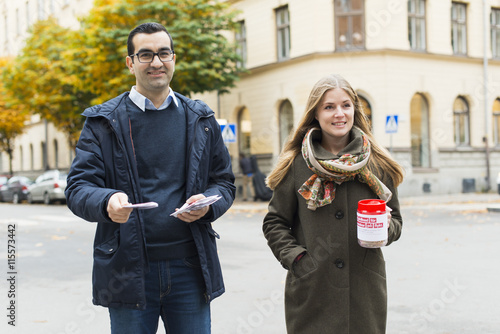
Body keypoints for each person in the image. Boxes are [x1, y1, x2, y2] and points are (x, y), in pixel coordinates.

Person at [65, 22, 235, 334]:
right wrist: (106, 201)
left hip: (190, 268)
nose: (156, 62)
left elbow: (224, 182)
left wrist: (208, 205)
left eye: (163, 53)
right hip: (127, 270)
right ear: (130, 63)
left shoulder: (201, 118)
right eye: (145, 55)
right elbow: (77, 188)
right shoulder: (102, 122)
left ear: (174, 59)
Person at [262, 74, 404, 334]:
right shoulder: (296, 164)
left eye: (346, 105)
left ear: (355, 110)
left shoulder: (377, 164)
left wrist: (385, 227)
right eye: (329, 107)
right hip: (312, 290)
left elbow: (396, 221)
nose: (339, 114)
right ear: (315, 113)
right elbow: (275, 223)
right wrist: (297, 260)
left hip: (364, 291)